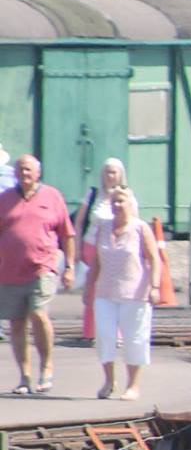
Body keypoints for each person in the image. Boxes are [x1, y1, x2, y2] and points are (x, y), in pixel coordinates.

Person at [0, 154, 75, 395]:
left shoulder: (52, 196)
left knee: (38, 313)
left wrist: (70, 266)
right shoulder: (5, 199)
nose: (24, 174)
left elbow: (67, 233)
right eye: (21, 169)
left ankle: (47, 367)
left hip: (42, 267)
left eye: (29, 170)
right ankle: (25, 376)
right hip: (10, 271)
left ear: (38, 173)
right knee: (17, 322)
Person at [85, 187, 157, 401]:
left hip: (134, 292)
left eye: (121, 201)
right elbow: (96, 261)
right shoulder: (104, 228)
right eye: (114, 201)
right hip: (105, 291)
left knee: (134, 339)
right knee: (105, 336)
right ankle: (109, 381)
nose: (117, 205)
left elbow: (154, 259)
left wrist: (153, 286)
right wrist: (89, 288)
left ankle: (133, 385)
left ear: (130, 204)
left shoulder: (140, 228)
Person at [75, 158, 126, 343]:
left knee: (114, 290)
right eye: (107, 172)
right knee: (92, 289)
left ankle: (116, 334)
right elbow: (79, 221)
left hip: (113, 249)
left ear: (120, 174)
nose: (110, 176)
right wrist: (77, 248)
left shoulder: (125, 196)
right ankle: (90, 332)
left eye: (114, 172)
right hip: (91, 245)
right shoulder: (93, 194)